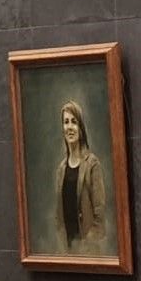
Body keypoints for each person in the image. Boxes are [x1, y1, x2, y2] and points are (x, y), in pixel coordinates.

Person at [55, 100, 106, 252]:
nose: (69, 127)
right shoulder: (61, 169)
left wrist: (85, 246)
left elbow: (100, 216)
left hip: (89, 251)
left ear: (81, 128)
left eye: (74, 122)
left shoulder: (92, 164)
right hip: (67, 251)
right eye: (66, 122)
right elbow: (58, 216)